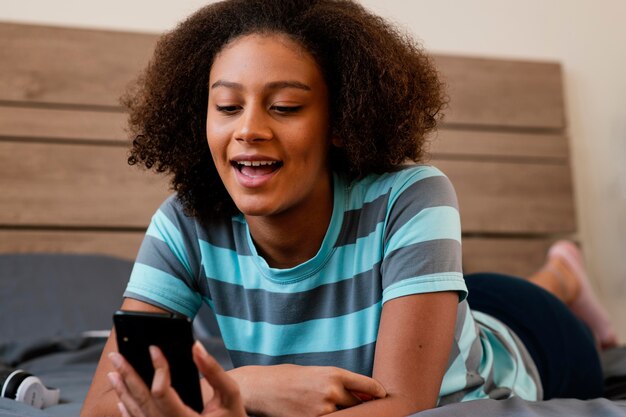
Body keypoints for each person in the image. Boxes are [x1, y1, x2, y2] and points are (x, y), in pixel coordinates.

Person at [80, 1, 618, 416]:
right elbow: (102, 404)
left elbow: (403, 405)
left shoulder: (413, 195)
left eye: (285, 106)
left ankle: (562, 277)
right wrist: (246, 386)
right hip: (429, 312)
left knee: (505, 305)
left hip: (532, 338)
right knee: (457, 305)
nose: (247, 129)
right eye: (226, 106)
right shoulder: (185, 223)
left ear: (341, 119)